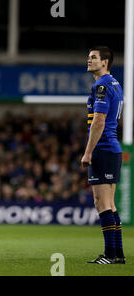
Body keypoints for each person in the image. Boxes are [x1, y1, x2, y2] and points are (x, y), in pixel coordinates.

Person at [81, 46, 125, 264]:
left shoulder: (101, 86)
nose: (89, 60)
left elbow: (98, 121)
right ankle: (118, 255)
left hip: (104, 148)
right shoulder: (115, 83)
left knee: (102, 203)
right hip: (112, 148)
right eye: (89, 57)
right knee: (111, 204)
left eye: (93, 58)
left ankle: (109, 254)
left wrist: (88, 152)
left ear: (105, 61)